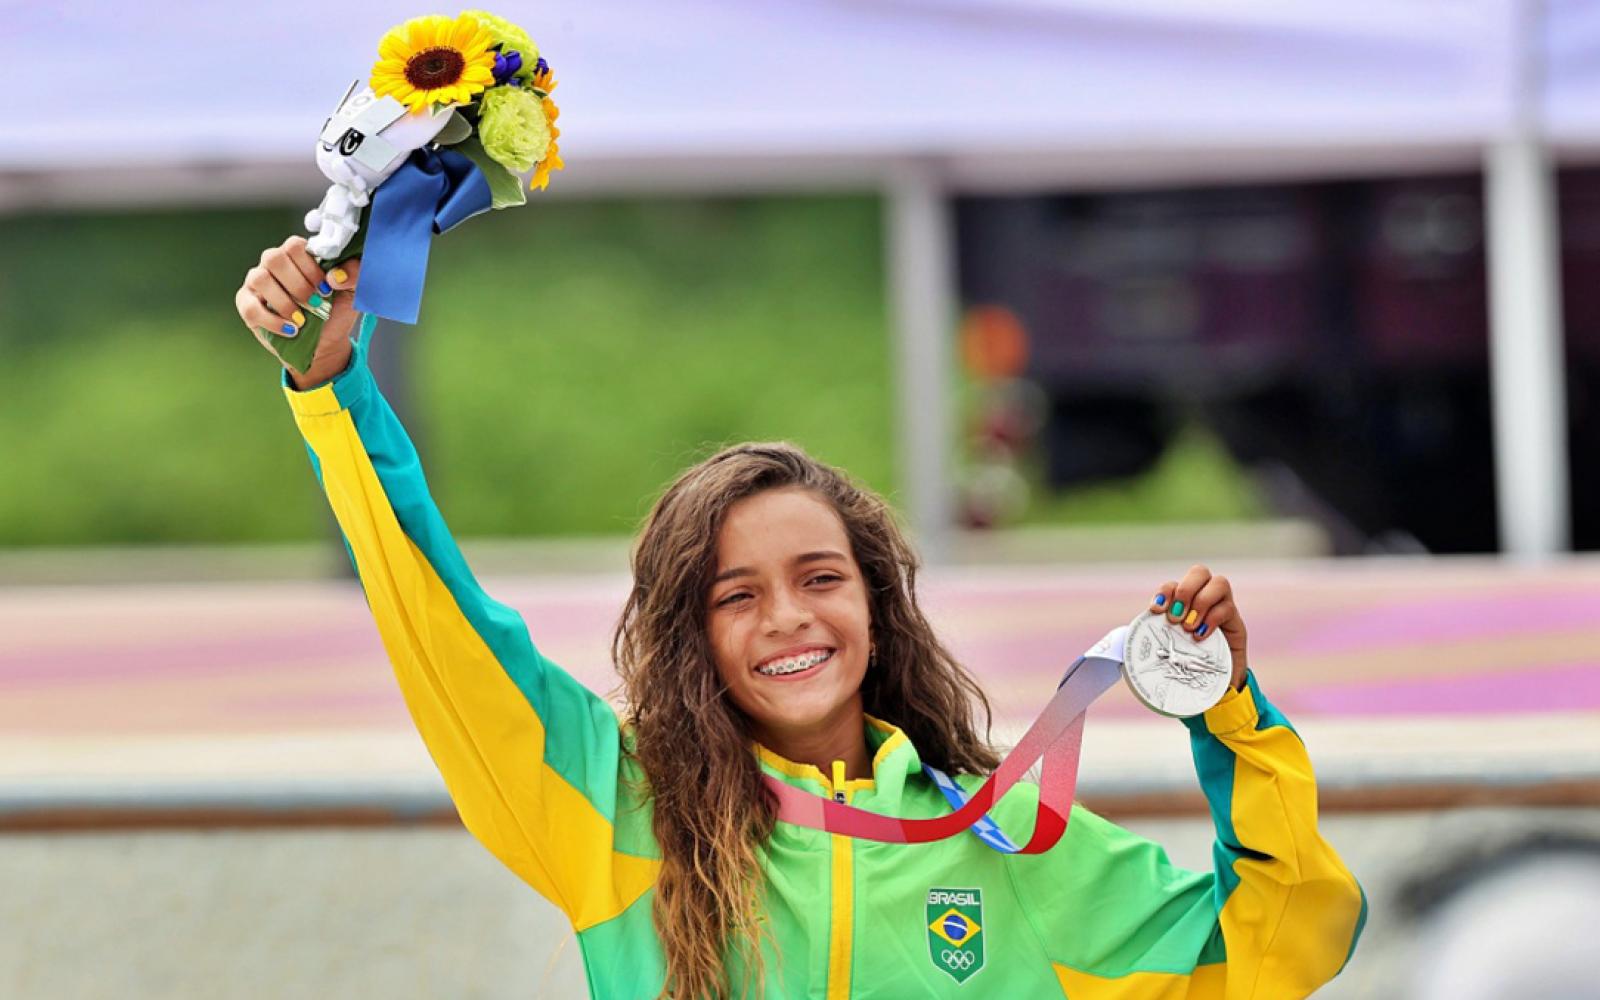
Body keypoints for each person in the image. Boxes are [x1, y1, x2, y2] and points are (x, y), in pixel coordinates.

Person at [235, 236, 1366, 999]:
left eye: (821, 577)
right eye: (735, 595)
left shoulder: (1009, 843)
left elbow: (1288, 943)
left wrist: (1231, 722)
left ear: (877, 602)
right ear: (692, 639)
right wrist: (335, 389)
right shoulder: (613, 808)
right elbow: (443, 622)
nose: (789, 618)